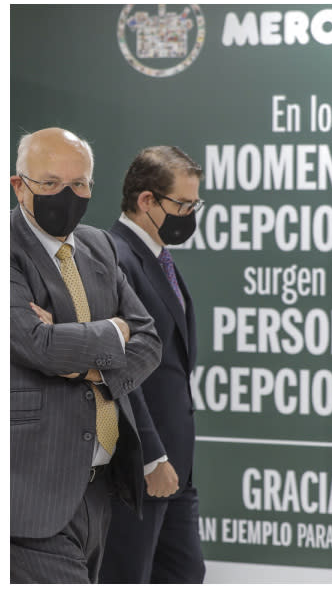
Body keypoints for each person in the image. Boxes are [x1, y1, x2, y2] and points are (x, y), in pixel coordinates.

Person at [10, 127, 162, 583]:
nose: (67, 195)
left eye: (79, 185)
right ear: (19, 185)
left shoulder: (98, 244)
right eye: (51, 183)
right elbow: (39, 345)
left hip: (99, 487)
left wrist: (93, 368)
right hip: (32, 491)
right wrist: (115, 329)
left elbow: (149, 340)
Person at [99, 146, 206, 583]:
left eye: (194, 205)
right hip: (141, 468)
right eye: (183, 205)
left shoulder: (161, 258)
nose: (190, 215)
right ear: (146, 200)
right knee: (129, 577)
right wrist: (151, 455)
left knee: (184, 573)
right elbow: (120, 366)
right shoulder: (114, 256)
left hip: (177, 467)